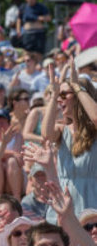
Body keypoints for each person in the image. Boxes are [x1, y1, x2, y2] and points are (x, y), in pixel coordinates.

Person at [42, 63, 97, 223]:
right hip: (64, 204)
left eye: (65, 94)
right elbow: (46, 134)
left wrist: (77, 87)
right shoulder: (62, 129)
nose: (60, 99)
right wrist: (53, 95)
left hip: (91, 204)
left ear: (80, 96)